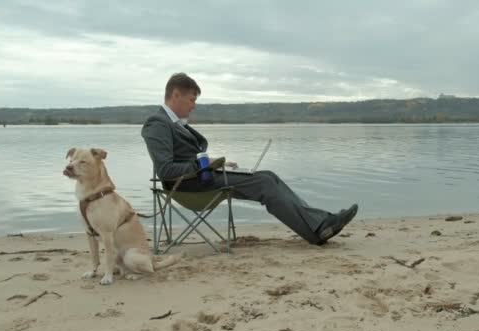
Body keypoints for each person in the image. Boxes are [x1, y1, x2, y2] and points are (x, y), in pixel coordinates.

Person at [141, 72, 358, 245]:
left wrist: (218, 164)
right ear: (176, 94)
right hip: (188, 186)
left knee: (268, 176)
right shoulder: (157, 123)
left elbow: (186, 159)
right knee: (264, 182)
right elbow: (166, 170)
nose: (194, 105)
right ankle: (318, 229)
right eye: (191, 99)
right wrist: (205, 164)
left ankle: (319, 222)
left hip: (201, 178)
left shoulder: (176, 124)